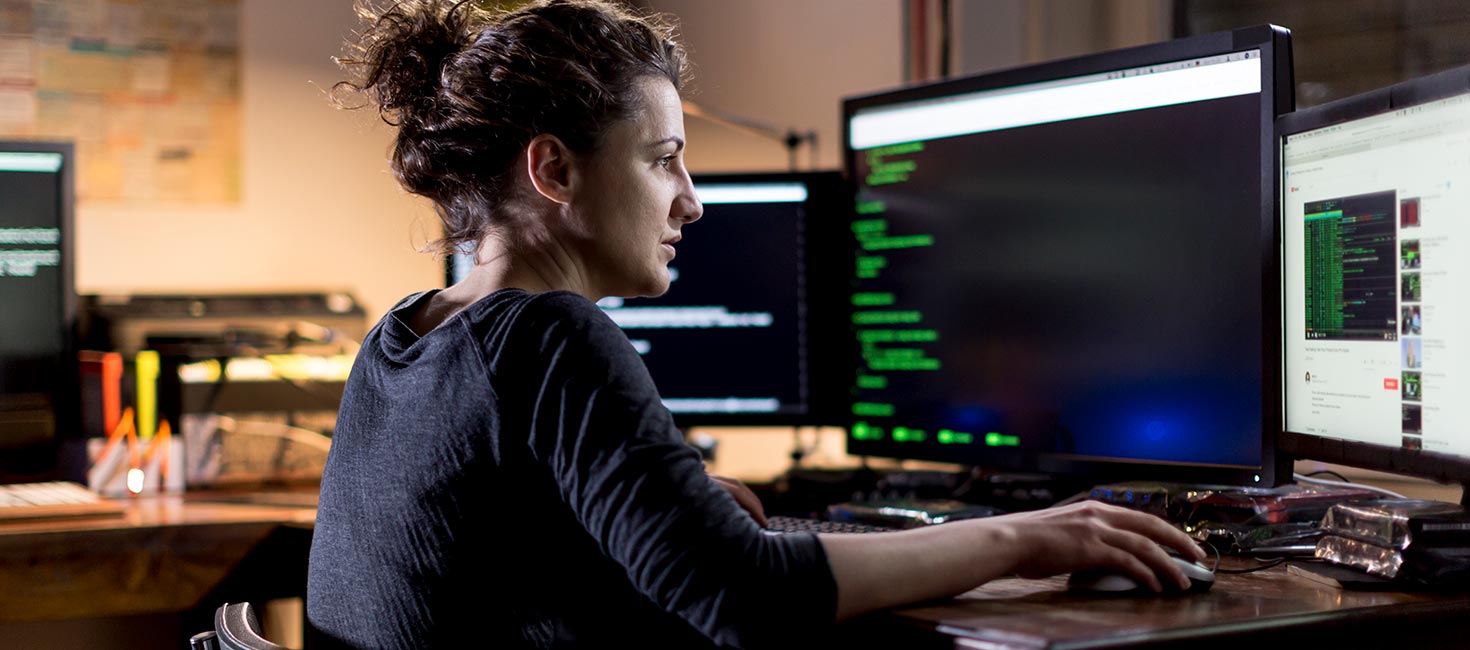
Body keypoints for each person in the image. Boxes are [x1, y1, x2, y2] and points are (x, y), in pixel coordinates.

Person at [305, 1, 1205, 648]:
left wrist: (659, 530)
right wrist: (1034, 533)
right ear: (555, 171)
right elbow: (748, 599)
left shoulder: (404, 335)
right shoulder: (550, 337)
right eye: (663, 162)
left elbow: (483, 562)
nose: (692, 202)